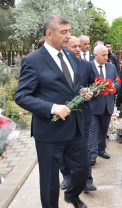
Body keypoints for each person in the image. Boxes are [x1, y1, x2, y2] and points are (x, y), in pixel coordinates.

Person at [15, 15, 93, 208]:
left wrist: (81, 92)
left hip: (74, 128)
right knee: (50, 182)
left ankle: (72, 195)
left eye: (69, 31)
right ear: (49, 34)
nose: (69, 36)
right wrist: (52, 108)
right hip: (49, 132)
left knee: (83, 168)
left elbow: (70, 86)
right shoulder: (32, 60)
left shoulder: (68, 55)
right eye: (63, 32)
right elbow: (22, 96)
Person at [60, 36, 97, 192]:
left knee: (84, 147)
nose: (77, 49)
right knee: (64, 147)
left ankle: (87, 180)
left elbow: (95, 84)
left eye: (78, 46)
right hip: (64, 114)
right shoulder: (59, 65)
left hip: (84, 113)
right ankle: (67, 177)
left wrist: (92, 92)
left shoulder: (86, 65)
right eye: (73, 46)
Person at [88, 45, 119, 166]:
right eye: (103, 55)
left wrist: (112, 87)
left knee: (104, 128)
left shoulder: (111, 67)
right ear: (95, 55)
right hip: (94, 104)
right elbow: (85, 83)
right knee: (93, 129)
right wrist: (94, 91)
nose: (106, 58)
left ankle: (101, 149)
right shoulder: (89, 66)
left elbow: (118, 82)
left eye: (107, 55)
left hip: (108, 104)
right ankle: (92, 154)